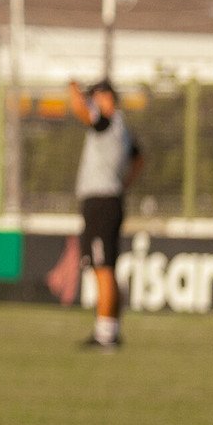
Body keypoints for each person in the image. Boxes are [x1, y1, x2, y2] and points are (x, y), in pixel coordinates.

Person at [68, 78, 141, 350]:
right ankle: (111, 328)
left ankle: (105, 334)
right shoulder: (122, 128)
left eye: (96, 96)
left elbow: (81, 110)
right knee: (107, 266)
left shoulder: (107, 122)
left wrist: (73, 88)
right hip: (111, 200)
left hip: (100, 201)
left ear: (106, 97)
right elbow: (139, 157)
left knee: (103, 268)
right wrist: (124, 183)